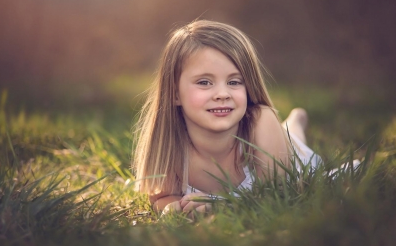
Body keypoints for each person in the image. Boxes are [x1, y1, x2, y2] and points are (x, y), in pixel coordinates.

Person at [133, 20, 322, 216]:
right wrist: (173, 207)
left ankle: (296, 120)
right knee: (289, 131)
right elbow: (162, 197)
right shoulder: (171, 145)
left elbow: (279, 195)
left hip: (290, 155)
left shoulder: (261, 121)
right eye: (204, 82)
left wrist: (226, 207)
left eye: (234, 81)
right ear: (175, 94)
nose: (222, 94)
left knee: (293, 137)